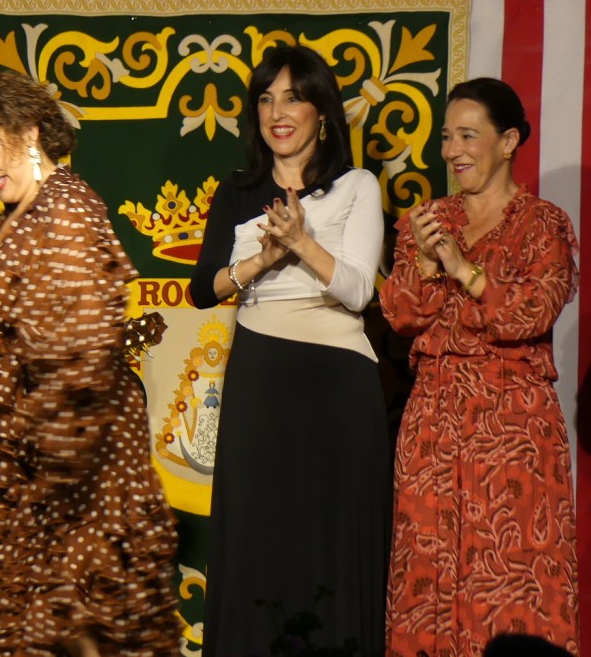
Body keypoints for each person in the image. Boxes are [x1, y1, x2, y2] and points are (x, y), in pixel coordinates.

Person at [0, 71, 179, 657]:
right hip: (22, 457)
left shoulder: (67, 210)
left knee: (63, 619)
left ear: (30, 133)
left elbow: (79, 357)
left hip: (74, 458)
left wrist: (33, 450)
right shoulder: (8, 221)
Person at [188, 45, 389, 654]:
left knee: (330, 540)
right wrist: (262, 260)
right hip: (261, 378)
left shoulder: (357, 186)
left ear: (321, 112)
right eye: (266, 99)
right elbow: (203, 289)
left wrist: (302, 243)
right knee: (257, 539)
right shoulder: (238, 190)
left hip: (338, 383)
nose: (278, 113)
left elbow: (358, 291)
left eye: (293, 98)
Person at [380, 78, 578, 654]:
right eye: (447, 137)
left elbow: (531, 313)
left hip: (513, 426)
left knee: (513, 576)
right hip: (432, 421)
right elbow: (400, 314)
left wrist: (463, 269)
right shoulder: (428, 220)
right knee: (427, 571)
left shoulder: (544, 223)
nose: (452, 151)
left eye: (468, 136)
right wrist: (424, 260)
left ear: (508, 140)